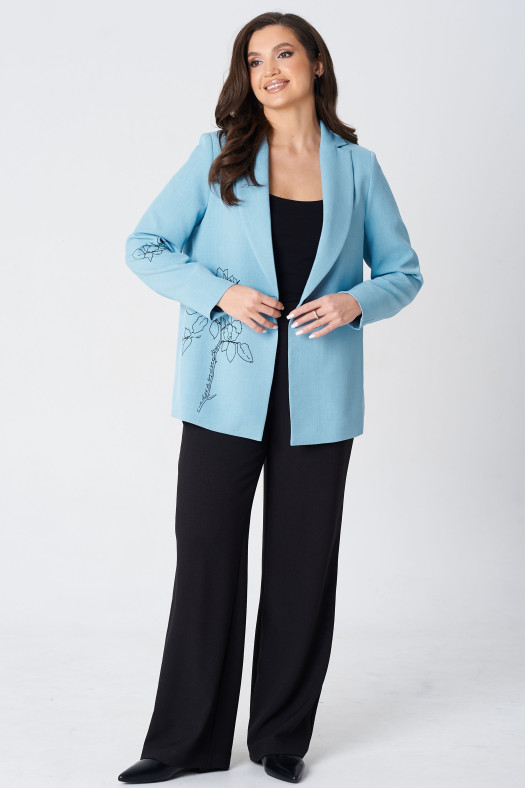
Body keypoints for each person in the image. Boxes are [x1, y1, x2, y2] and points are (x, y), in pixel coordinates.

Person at [118, 11, 423, 785]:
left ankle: (280, 737)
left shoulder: (358, 168)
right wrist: (220, 294)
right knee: (207, 557)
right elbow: (145, 246)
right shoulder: (217, 155)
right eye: (254, 60)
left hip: (319, 400)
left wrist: (355, 302)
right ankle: (183, 744)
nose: (269, 71)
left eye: (284, 54)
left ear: (316, 63)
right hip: (223, 393)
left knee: (300, 567)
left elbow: (402, 272)